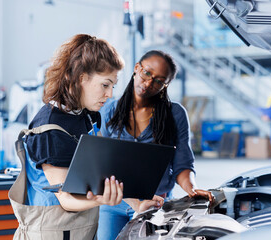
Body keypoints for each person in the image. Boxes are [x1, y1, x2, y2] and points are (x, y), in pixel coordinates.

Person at [8, 34, 161, 239]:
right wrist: (102, 200)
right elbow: (66, 199)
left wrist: (137, 203)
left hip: (82, 230)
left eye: (113, 86)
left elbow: (102, 172)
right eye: (105, 85)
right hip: (50, 232)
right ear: (82, 78)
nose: (109, 94)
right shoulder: (49, 128)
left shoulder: (87, 117)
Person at [98, 50, 214, 239]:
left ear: (165, 85)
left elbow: (182, 164)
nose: (149, 83)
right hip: (114, 203)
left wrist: (191, 188)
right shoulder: (109, 111)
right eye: (147, 73)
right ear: (137, 68)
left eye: (159, 81)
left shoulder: (175, 114)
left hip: (157, 203)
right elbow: (102, 163)